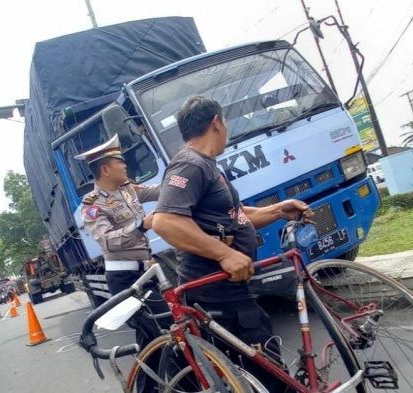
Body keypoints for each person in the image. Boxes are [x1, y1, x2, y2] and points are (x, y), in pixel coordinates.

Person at [152, 95, 311, 391]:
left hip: (230, 289)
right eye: (225, 123)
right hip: (214, 293)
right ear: (216, 122)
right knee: (268, 377)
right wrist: (225, 254)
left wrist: (278, 210)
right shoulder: (190, 165)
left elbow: (234, 216)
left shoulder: (207, 165)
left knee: (260, 371)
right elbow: (165, 221)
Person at [75, 134, 170, 392]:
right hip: (125, 281)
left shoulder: (128, 189)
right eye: (119, 161)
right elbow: (107, 241)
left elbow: (161, 190)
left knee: (154, 336)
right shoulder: (92, 205)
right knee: (163, 329)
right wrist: (140, 225)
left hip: (146, 273)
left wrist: (182, 178)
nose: (125, 164)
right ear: (105, 169)